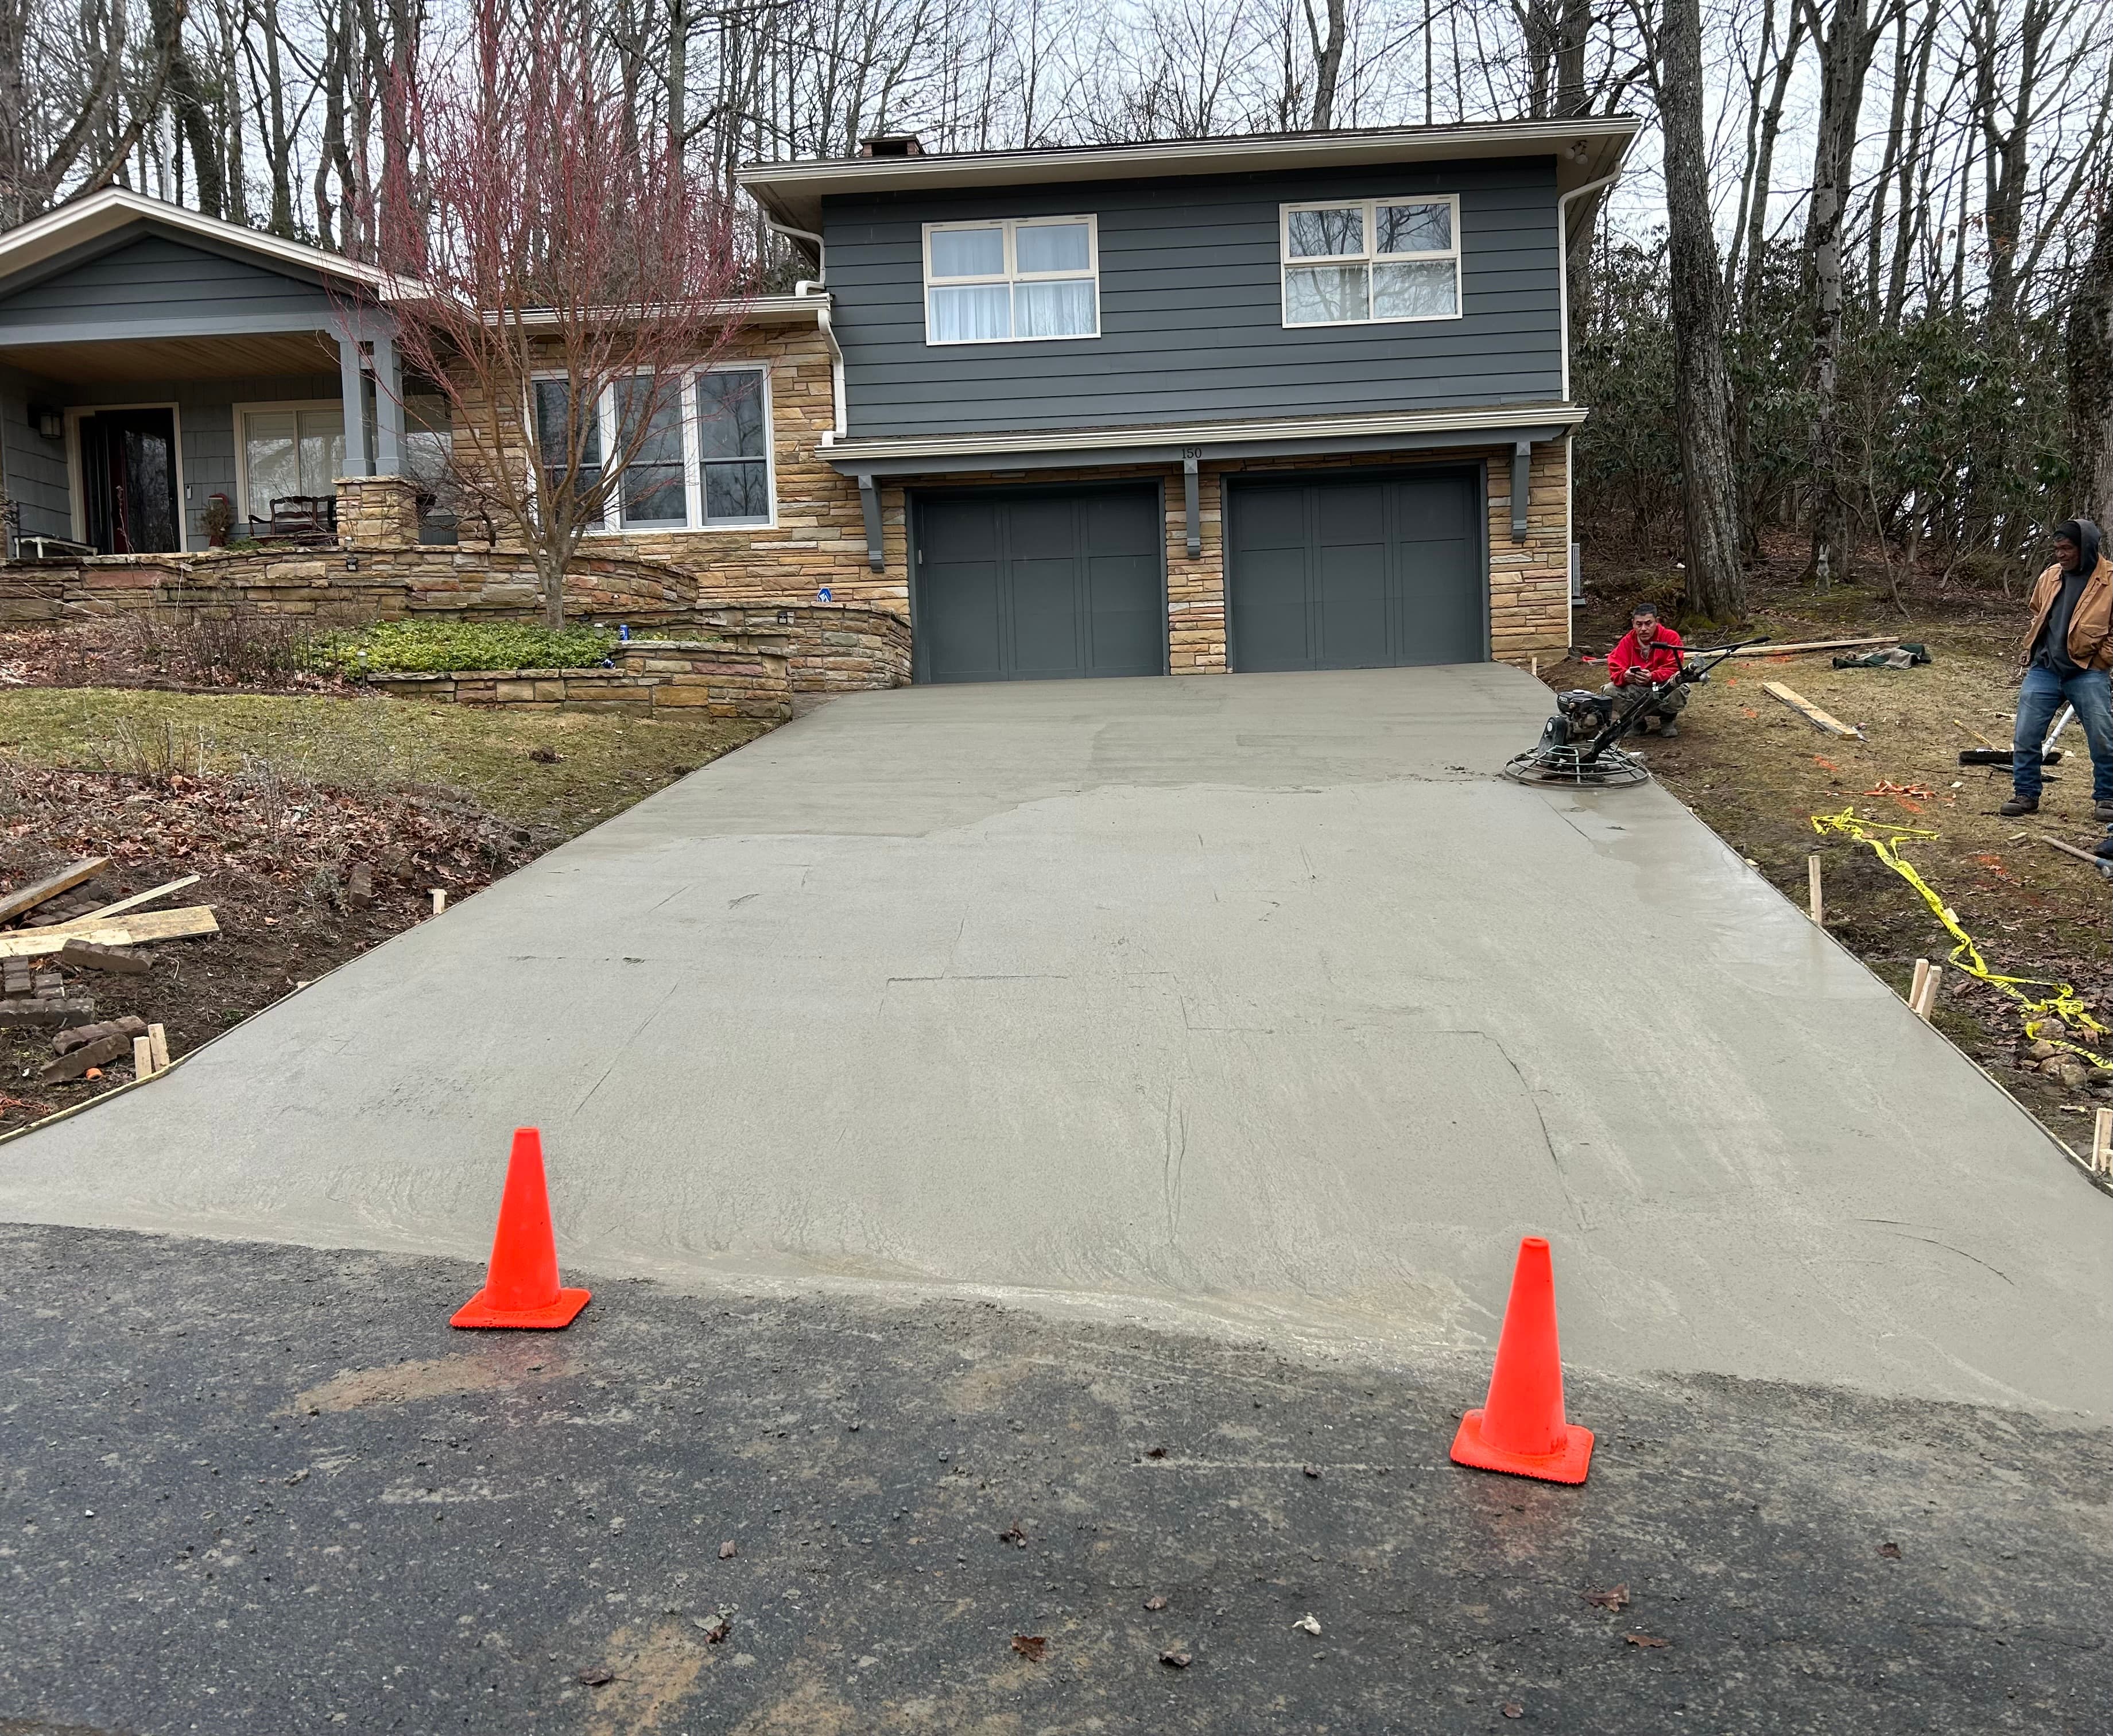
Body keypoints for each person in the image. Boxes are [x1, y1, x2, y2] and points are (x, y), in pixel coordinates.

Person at [2002, 518, 2113, 822]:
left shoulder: (2111, 580)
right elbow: (2038, 611)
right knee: (2026, 735)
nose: (2060, 555)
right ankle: (2025, 794)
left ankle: (2107, 798)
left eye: (2067, 549)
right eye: (2057, 549)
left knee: (2102, 737)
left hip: (2088, 671)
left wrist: (2102, 660)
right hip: (2045, 669)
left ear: (2086, 547)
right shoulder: (2051, 576)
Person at [1604, 603, 1688, 737]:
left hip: (1663, 686)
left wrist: (1653, 676)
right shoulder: (1627, 641)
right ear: (1633, 624)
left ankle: (1668, 720)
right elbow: (1615, 666)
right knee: (1610, 690)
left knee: (1679, 688)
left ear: (1657, 621)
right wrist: (1625, 676)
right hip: (1638, 688)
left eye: (1648, 624)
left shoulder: (1671, 637)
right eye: (1639, 624)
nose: (1643, 629)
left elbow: (1674, 667)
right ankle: (1637, 723)